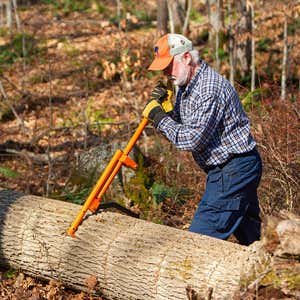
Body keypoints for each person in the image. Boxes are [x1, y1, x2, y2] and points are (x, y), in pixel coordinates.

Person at [142, 33, 262, 246]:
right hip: (231, 168)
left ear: (186, 57)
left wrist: (159, 118)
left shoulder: (208, 89)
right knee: (255, 241)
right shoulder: (186, 85)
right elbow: (188, 124)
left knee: (197, 242)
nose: (166, 73)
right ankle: (279, 271)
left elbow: (192, 139)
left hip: (233, 169)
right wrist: (168, 110)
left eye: (169, 66)